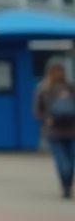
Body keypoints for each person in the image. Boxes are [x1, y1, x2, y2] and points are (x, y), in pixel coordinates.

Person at [33, 57, 75, 199]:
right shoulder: (43, 88)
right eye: (54, 70)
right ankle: (65, 186)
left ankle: (68, 184)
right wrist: (46, 119)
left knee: (71, 161)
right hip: (53, 131)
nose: (57, 72)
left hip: (71, 129)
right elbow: (37, 110)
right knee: (62, 162)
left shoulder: (70, 87)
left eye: (59, 69)